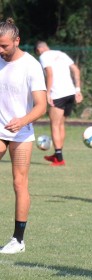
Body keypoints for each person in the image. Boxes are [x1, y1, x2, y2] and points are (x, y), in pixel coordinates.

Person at [0, 18, 47, 253]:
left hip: (21, 132)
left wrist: (22, 121)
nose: (0, 50)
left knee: (19, 183)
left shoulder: (31, 66)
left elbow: (41, 105)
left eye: (4, 46)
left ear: (17, 41)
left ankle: (18, 240)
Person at [34, 41, 83, 166]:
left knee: (55, 125)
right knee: (61, 124)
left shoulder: (43, 56)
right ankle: (57, 154)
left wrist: (48, 92)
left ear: (39, 50)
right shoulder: (61, 54)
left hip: (58, 94)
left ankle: (59, 159)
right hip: (71, 93)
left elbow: (49, 74)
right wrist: (78, 90)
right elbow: (76, 70)